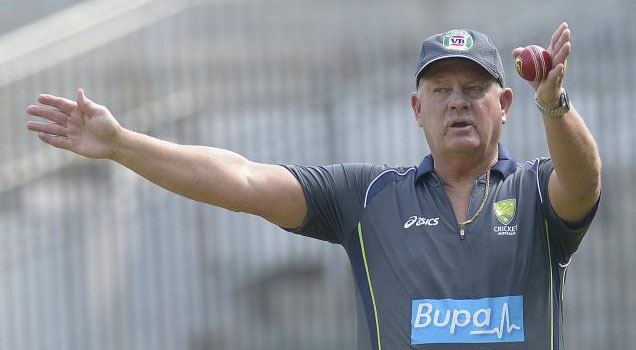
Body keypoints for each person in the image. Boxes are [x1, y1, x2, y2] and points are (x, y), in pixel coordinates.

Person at [26, 22, 600, 349]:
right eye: (441, 89)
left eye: (473, 89)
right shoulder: (368, 196)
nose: (457, 102)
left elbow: (583, 182)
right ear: (415, 108)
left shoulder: (534, 192)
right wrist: (124, 143)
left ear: (503, 105)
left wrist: (554, 104)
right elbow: (245, 179)